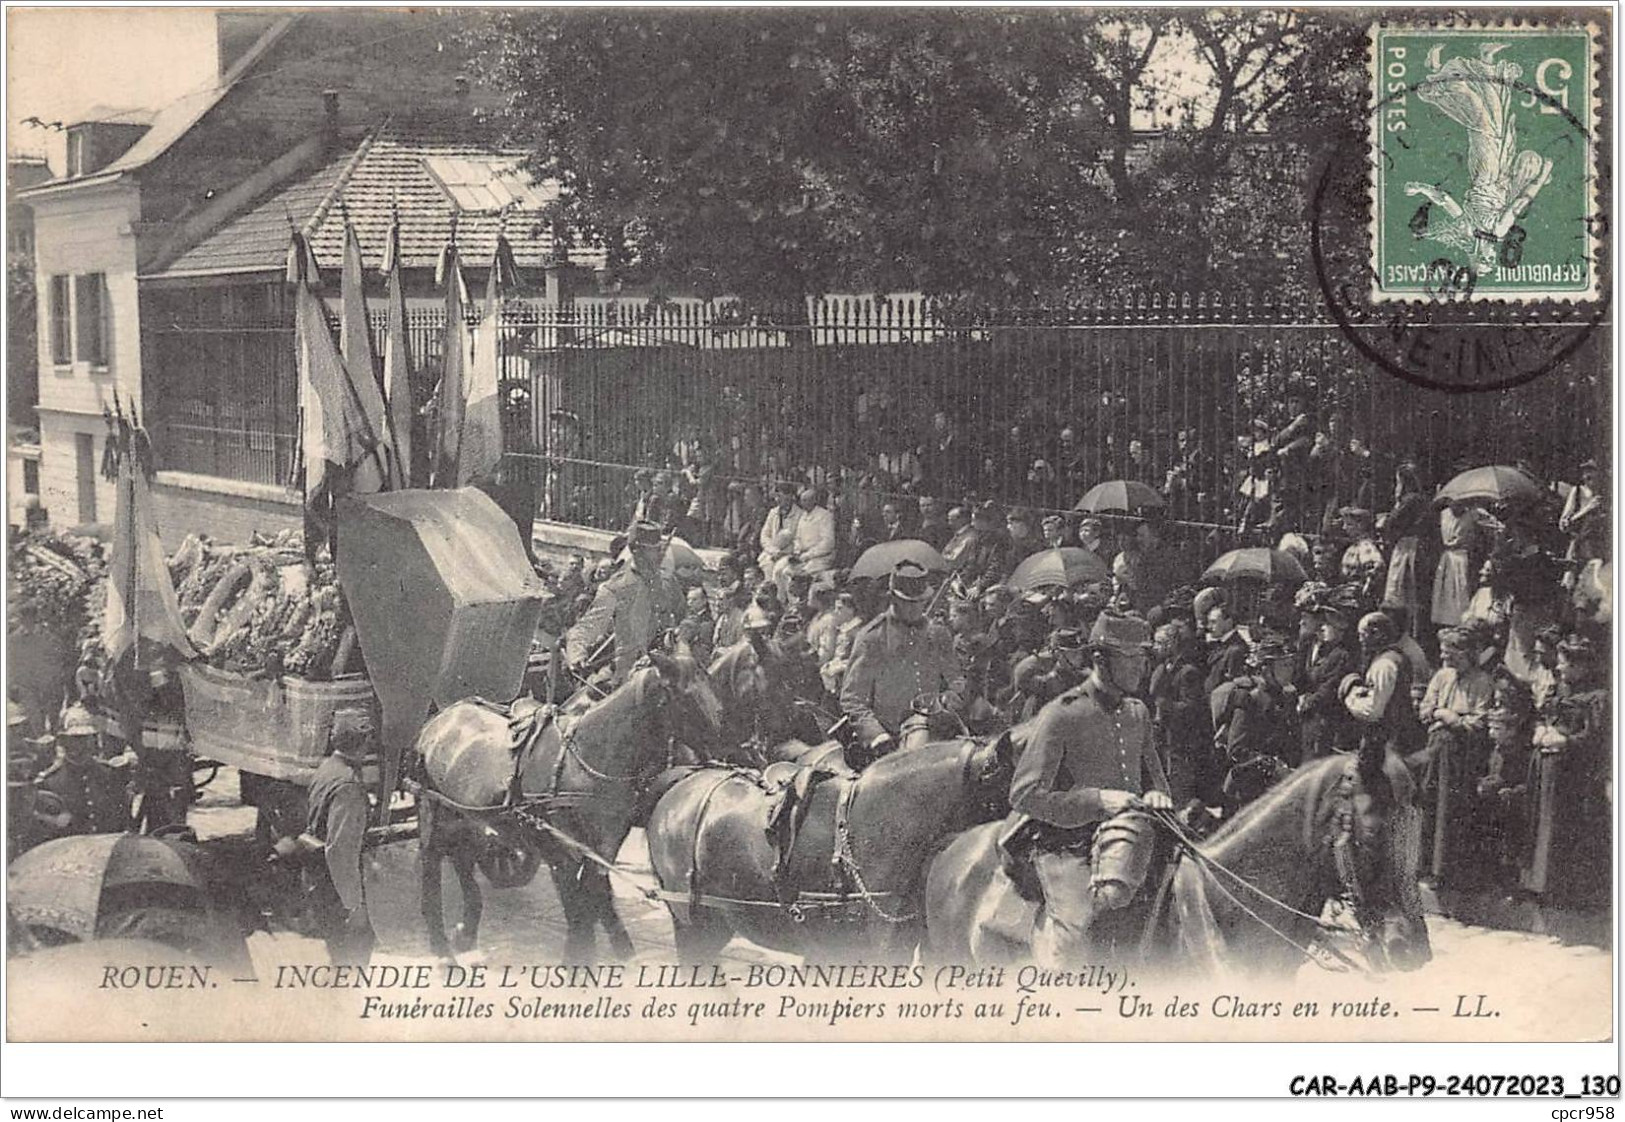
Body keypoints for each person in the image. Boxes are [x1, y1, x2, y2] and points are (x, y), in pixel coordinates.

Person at [1002, 611, 1173, 966]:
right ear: (1100, 659)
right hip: (1066, 845)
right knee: (1073, 943)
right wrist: (1096, 800)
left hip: (1131, 839)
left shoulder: (1138, 712)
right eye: (1130, 659)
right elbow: (1023, 795)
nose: (1140, 668)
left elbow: (1154, 776)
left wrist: (1158, 793)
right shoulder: (1062, 714)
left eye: (1142, 659)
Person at [839, 561, 967, 766]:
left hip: (936, 728)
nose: (916, 608)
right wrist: (877, 735)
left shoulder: (937, 633)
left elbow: (956, 680)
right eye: (909, 602)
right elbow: (852, 698)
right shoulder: (872, 638)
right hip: (890, 738)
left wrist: (950, 698)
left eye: (921, 601)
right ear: (893, 599)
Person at [1414, 626, 1496, 885]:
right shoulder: (1441, 676)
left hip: (1462, 754)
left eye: (1452, 655)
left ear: (1468, 654)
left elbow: (1480, 721)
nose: (1446, 660)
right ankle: (1422, 865)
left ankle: (1444, 871)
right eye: (1443, 654)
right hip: (1434, 749)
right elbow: (1426, 708)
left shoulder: (1482, 681)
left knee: (1449, 808)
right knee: (1427, 801)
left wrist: (1453, 719)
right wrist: (1439, 714)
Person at [565, 520, 685, 685]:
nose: (660, 554)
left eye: (660, 548)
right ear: (636, 550)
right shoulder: (614, 588)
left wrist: (680, 632)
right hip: (629, 677)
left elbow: (684, 617)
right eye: (654, 550)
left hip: (668, 671)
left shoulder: (668, 581)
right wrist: (577, 655)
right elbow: (584, 629)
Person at [304, 710, 375, 967]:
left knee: (338, 959)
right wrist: (354, 906)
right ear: (364, 742)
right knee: (352, 961)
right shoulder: (348, 787)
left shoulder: (327, 768)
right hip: (335, 891)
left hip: (319, 882)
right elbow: (340, 852)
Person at [1210, 631, 1298, 810]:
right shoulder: (1248, 698)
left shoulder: (1288, 696)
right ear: (1266, 669)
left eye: (1291, 665)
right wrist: (1271, 765)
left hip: (1277, 786)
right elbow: (1236, 750)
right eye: (1284, 665)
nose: (1290, 671)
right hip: (1247, 788)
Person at [28, 704, 135, 843]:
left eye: (86, 738)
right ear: (63, 741)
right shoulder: (50, 782)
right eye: (75, 739)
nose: (81, 745)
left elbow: (124, 820)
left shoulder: (110, 774)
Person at [1340, 611, 1425, 759]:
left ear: (1377, 634)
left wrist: (1349, 695)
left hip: (1386, 743)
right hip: (1393, 738)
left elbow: (1372, 711)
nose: (1360, 640)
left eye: (1363, 634)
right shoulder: (1395, 656)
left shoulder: (1384, 664)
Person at [1147, 619, 1212, 805]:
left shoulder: (1188, 672)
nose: (1154, 647)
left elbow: (1191, 708)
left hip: (1180, 746)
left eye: (1159, 643)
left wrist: (1164, 706)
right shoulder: (1161, 668)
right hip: (1163, 743)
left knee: (1179, 794)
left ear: (1172, 644)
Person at [1378, 459, 1431, 637]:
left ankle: (1405, 631)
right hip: (1412, 545)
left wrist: (1386, 521)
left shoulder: (1410, 500)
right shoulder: (1418, 499)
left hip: (1407, 549)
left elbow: (1393, 523)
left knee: (1403, 589)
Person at [1432, 499, 1494, 630]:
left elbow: (1491, 529)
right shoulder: (1443, 514)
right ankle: (1444, 624)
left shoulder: (1473, 514)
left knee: (1462, 591)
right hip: (1447, 558)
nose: (1455, 505)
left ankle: (1462, 624)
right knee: (1445, 594)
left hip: (1464, 557)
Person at [1011, 628, 1090, 722]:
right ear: (1059, 654)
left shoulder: (1084, 676)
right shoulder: (1047, 684)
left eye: (1080, 652)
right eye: (1073, 653)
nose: (1079, 657)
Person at [774, 486, 836, 595]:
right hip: (802, 556)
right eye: (802, 500)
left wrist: (808, 555)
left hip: (820, 557)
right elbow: (798, 538)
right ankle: (783, 600)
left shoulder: (824, 516)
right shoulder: (803, 516)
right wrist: (798, 552)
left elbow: (828, 543)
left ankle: (798, 602)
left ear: (814, 500)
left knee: (795, 575)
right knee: (780, 570)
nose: (803, 503)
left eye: (806, 500)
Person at [1202, 601, 1250, 695]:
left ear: (1229, 622)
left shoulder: (1235, 650)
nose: (1209, 627)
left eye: (1213, 622)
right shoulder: (1219, 644)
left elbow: (1231, 689)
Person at [757, 482, 802, 576]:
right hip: (772, 552)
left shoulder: (800, 515)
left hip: (788, 554)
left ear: (791, 496)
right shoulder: (773, 512)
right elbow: (765, 535)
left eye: (781, 496)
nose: (778, 500)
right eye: (777, 496)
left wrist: (784, 553)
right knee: (766, 565)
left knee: (780, 570)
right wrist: (773, 550)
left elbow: (798, 539)